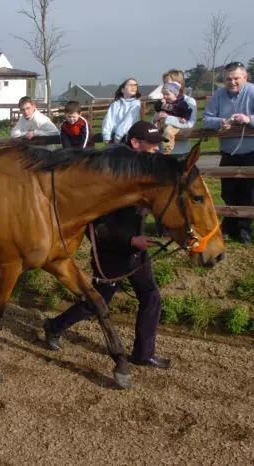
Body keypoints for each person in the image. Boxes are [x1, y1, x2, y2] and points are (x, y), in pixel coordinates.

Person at [43, 121, 171, 369]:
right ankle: (53, 326)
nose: (156, 150)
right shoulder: (110, 175)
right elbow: (97, 227)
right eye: (152, 145)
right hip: (111, 253)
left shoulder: (138, 173)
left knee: (151, 296)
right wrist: (130, 239)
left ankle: (144, 354)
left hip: (137, 250)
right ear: (135, 144)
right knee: (97, 302)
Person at [202, 62, 254, 244]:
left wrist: (249, 119)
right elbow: (206, 119)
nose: (232, 82)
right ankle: (229, 226)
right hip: (229, 151)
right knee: (228, 190)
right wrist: (220, 122)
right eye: (228, 79)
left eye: (236, 78)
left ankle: (244, 229)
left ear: (244, 78)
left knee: (248, 191)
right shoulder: (219, 96)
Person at [154, 69, 198, 156]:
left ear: (178, 84)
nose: (166, 85)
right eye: (164, 82)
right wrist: (156, 118)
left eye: (168, 82)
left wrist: (167, 119)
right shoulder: (163, 101)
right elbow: (154, 122)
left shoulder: (188, 101)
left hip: (180, 150)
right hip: (160, 151)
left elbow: (189, 124)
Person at [101, 78, 141, 144]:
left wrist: (118, 136)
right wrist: (106, 136)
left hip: (128, 138)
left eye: (135, 85)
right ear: (122, 89)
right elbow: (108, 119)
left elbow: (129, 121)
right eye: (130, 85)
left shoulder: (136, 103)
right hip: (113, 137)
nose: (133, 87)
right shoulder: (115, 104)